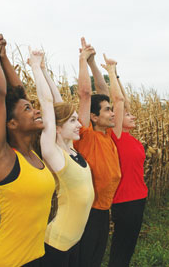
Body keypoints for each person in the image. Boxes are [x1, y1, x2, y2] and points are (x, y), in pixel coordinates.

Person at [0, 24, 55, 267]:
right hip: (6, 262)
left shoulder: (31, 153)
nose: (36, 110)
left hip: (35, 258)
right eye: (28, 109)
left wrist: (4, 57)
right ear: (11, 124)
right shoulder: (2, 158)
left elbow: (17, 92)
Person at [27, 47, 94, 267]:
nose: (80, 124)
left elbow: (57, 102)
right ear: (57, 127)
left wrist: (46, 70)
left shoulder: (71, 147)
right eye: (73, 121)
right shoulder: (53, 151)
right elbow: (48, 104)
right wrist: (35, 67)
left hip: (73, 241)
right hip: (56, 244)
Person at [73, 38, 122, 267]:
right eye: (107, 111)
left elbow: (102, 93)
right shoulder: (86, 136)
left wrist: (94, 63)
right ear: (93, 117)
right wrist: (82, 59)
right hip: (88, 213)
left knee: (95, 260)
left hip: (103, 212)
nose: (113, 113)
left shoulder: (107, 136)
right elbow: (85, 95)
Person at [101, 58, 148, 267]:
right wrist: (110, 71)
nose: (132, 115)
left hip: (139, 198)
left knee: (128, 247)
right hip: (125, 200)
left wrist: (117, 74)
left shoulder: (132, 139)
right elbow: (119, 101)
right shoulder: (116, 136)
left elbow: (125, 102)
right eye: (126, 114)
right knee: (120, 249)